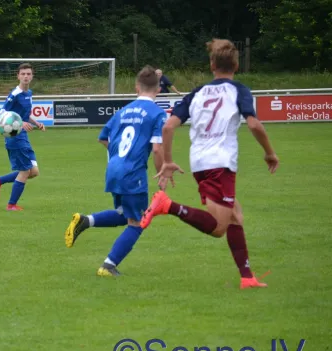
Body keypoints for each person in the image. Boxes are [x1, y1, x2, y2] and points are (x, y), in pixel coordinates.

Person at [140, 39, 279, 289]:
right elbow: (255, 124)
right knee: (218, 228)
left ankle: (247, 278)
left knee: (235, 216)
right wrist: (270, 153)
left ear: (212, 64)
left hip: (200, 162)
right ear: (236, 65)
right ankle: (167, 205)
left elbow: (169, 126)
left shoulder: (197, 92)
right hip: (221, 163)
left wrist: (169, 161)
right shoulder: (239, 90)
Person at [64, 66, 166, 277]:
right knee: (138, 222)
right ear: (158, 89)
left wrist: (119, 157)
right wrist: (162, 172)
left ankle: (86, 220)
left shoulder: (123, 111)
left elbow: (103, 138)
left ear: (136, 88)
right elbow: (157, 148)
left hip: (113, 169)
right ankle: (108, 265)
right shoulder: (158, 114)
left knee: (123, 215)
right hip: (133, 173)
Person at [0, 63, 45, 211]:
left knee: (34, 172)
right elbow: (2, 114)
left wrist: (36, 123)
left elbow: (25, 115)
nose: (26, 76)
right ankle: (11, 205)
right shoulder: (14, 94)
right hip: (15, 137)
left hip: (24, 136)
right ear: (18, 76)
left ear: (32, 76)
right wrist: (21, 123)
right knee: (26, 171)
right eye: (23, 74)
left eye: (28, 74)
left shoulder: (29, 93)